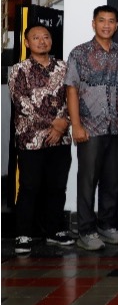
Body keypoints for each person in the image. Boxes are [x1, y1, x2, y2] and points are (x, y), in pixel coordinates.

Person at [65, 5, 118, 251]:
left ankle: (106, 226)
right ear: (93, 23)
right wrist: (76, 125)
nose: (106, 25)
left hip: (117, 126)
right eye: (102, 20)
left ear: (117, 25)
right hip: (90, 127)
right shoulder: (79, 53)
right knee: (88, 181)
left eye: (111, 21)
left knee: (112, 180)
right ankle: (86, 231)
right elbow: (72, 89)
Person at [9, 26, 74, 254]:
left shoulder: (64, 67)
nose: (42, 41)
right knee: (29, 186)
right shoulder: (19, 70)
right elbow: (21, 103)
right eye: (36, 38)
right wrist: (54, 123)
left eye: (46, 37)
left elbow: (74, 98)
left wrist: (65, 122)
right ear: (27, 43)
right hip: (31, 139)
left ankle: (54, 230)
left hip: (60, 138)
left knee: (57, 186)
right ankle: (23, 234)